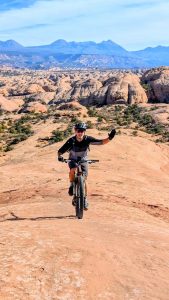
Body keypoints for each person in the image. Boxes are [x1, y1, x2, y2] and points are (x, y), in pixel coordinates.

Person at [58, 122, 116, 210]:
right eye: (78, 131)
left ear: (84, 131)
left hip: (83, 160)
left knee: (84, 180)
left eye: (82, 131)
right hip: (73, 160)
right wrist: (60, 156)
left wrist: (110, 138)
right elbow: (61, 150)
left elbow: (101, 142)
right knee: (73, 169)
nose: (80, 133)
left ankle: (84, 199)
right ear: (75, 131)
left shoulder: (87, 139)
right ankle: (71, 185)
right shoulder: (71, 140)